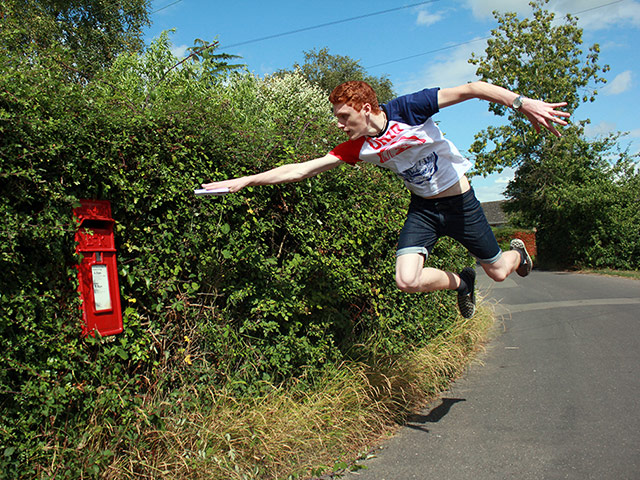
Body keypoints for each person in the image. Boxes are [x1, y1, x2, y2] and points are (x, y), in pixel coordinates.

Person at [202, 80, 570, 318]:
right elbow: (301, 169)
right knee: (406, 280)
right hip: (424, 210)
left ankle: (518, 253)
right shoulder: (356, 147)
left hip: (462, 204)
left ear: (365, 107)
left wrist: (521, 102)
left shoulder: (411, 108)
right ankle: (462, 281)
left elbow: (473, 88)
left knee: (501, 273)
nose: (341, 125)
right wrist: (246, 181)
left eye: (344, 116)